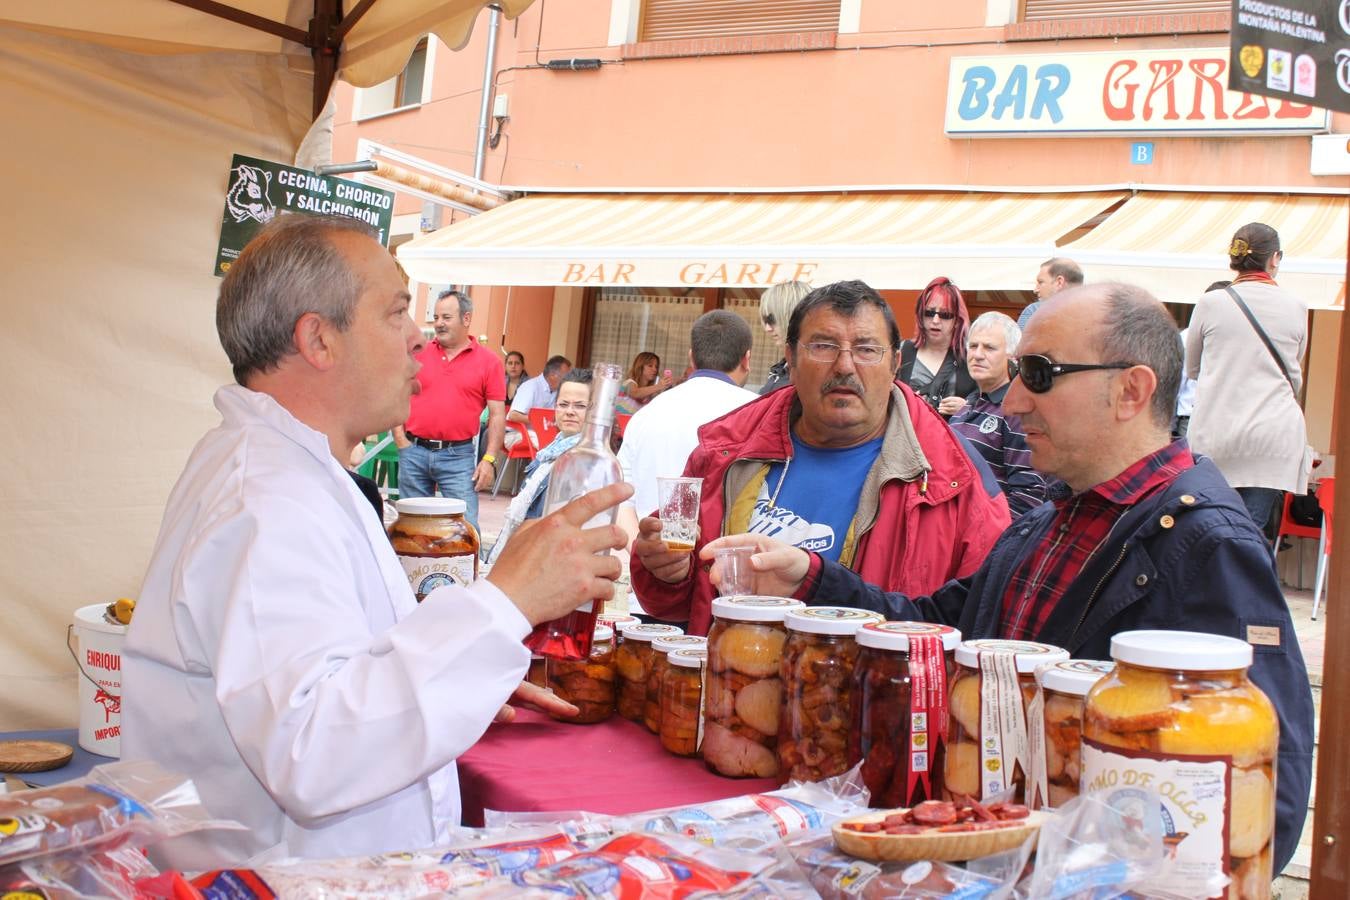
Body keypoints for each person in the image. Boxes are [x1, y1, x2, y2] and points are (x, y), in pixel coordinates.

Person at [703, 282, 1313, 877]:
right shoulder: (1048, 523)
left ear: (1131, 390)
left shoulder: (1207, 545)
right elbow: (931, 627)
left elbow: (1263, 801)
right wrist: (811, 577)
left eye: (1040, 374)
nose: (1015, 400)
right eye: (1018, 375)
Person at [121, 215, 630, 869]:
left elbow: (338, 660)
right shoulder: (267, 501)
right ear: (319, 340)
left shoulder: (292, 471)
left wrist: (465, 670)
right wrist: (505, 603)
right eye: (395, 312)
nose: (419, 337)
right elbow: (313, 752)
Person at [630, 280, 1011, 635]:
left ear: (896, 364)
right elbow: (677, 602)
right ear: (790, 358)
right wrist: (664, 571)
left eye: (866, 349)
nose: (845, 366)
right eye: (824, 346)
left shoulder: (955, 477)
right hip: (728, 692)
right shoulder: (724, 450)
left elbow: (981, 628)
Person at [1186, 224, 1312, 540]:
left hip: (1218, 432)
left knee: (1207, 530)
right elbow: (1294, 368)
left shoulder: (1211, 302)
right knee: (1248, 535)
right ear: (1275, 259)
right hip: (1273, 436)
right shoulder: (1297, 307)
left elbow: (1192, 368)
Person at [617, 310, 758, 532]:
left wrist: (645, 557)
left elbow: (622, 499)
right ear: (746, 359)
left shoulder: (646, 414)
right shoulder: (760, 413)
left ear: (691, 357)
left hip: (652, 552)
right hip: (729, 558)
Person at [395, 289, 504, 533]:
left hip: (458, 456)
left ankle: (467, 572)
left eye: (446, 317)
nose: (439, 324)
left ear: (466, 319)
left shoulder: (489, 362)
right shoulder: (418, 352)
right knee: (412, 529)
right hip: (414, 451)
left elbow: (497, 415)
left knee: (465, 529)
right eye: (436, 318)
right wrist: (400, 439)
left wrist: (489, 459)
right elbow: (397, 392)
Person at [487, 369, 594, 564]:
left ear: (594, 411)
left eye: (579, 406)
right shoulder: (551, 452)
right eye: (563, 404)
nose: (569, 411)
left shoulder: (585, 462)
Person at [948, 312, 1046, 518]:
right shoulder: (964, 409)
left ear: (1012, 356)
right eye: (973, 346)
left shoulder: (1017, 411)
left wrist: (990, 541)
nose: (978, 354)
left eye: (989, 348)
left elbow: (1029, 496)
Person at [897, 276, 975, 418]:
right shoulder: (903, 351)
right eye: (929, 312)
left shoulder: (970, 360)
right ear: (920, 315)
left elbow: (989, 405)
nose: (935, 320)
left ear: (957, 320)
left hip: (948, 437)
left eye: (945, 314)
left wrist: (967, 407)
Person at [758, 280, 812, 394]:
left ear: (791, 315)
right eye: (765, 320)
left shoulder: (810, 371)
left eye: (771, 319)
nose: (767, 328)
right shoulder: (785, 367)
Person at [506, 354, 572, 446]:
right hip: (514, 434)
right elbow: (513, 416)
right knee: (548, 444)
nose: (568, 380)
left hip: (539, 433)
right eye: (566, 377)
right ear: (553, 375)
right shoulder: (531, 386)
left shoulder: (557, 391)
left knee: (568, 442)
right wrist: (540, 420)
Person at [1018, 257, 1084, 329]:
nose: (1035, 290)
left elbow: (1022, 340)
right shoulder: (1095, 313)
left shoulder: (1034, 311)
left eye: (1041, 282)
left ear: (1059, 282)